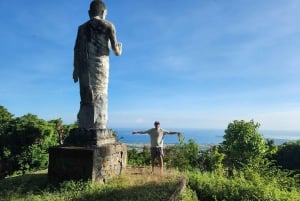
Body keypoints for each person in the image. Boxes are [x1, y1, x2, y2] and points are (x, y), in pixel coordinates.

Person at [73, 0, 122, 129]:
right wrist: (120, 48)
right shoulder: (108, 25)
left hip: (84, 66)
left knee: (85, 94)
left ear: (89, 12)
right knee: (100, 92)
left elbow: (76, 49)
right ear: (104, 12)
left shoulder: (81, 28)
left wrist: (75, 69)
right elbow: (116, 51)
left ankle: (84, 124)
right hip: (101, 65)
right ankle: (99, 124)